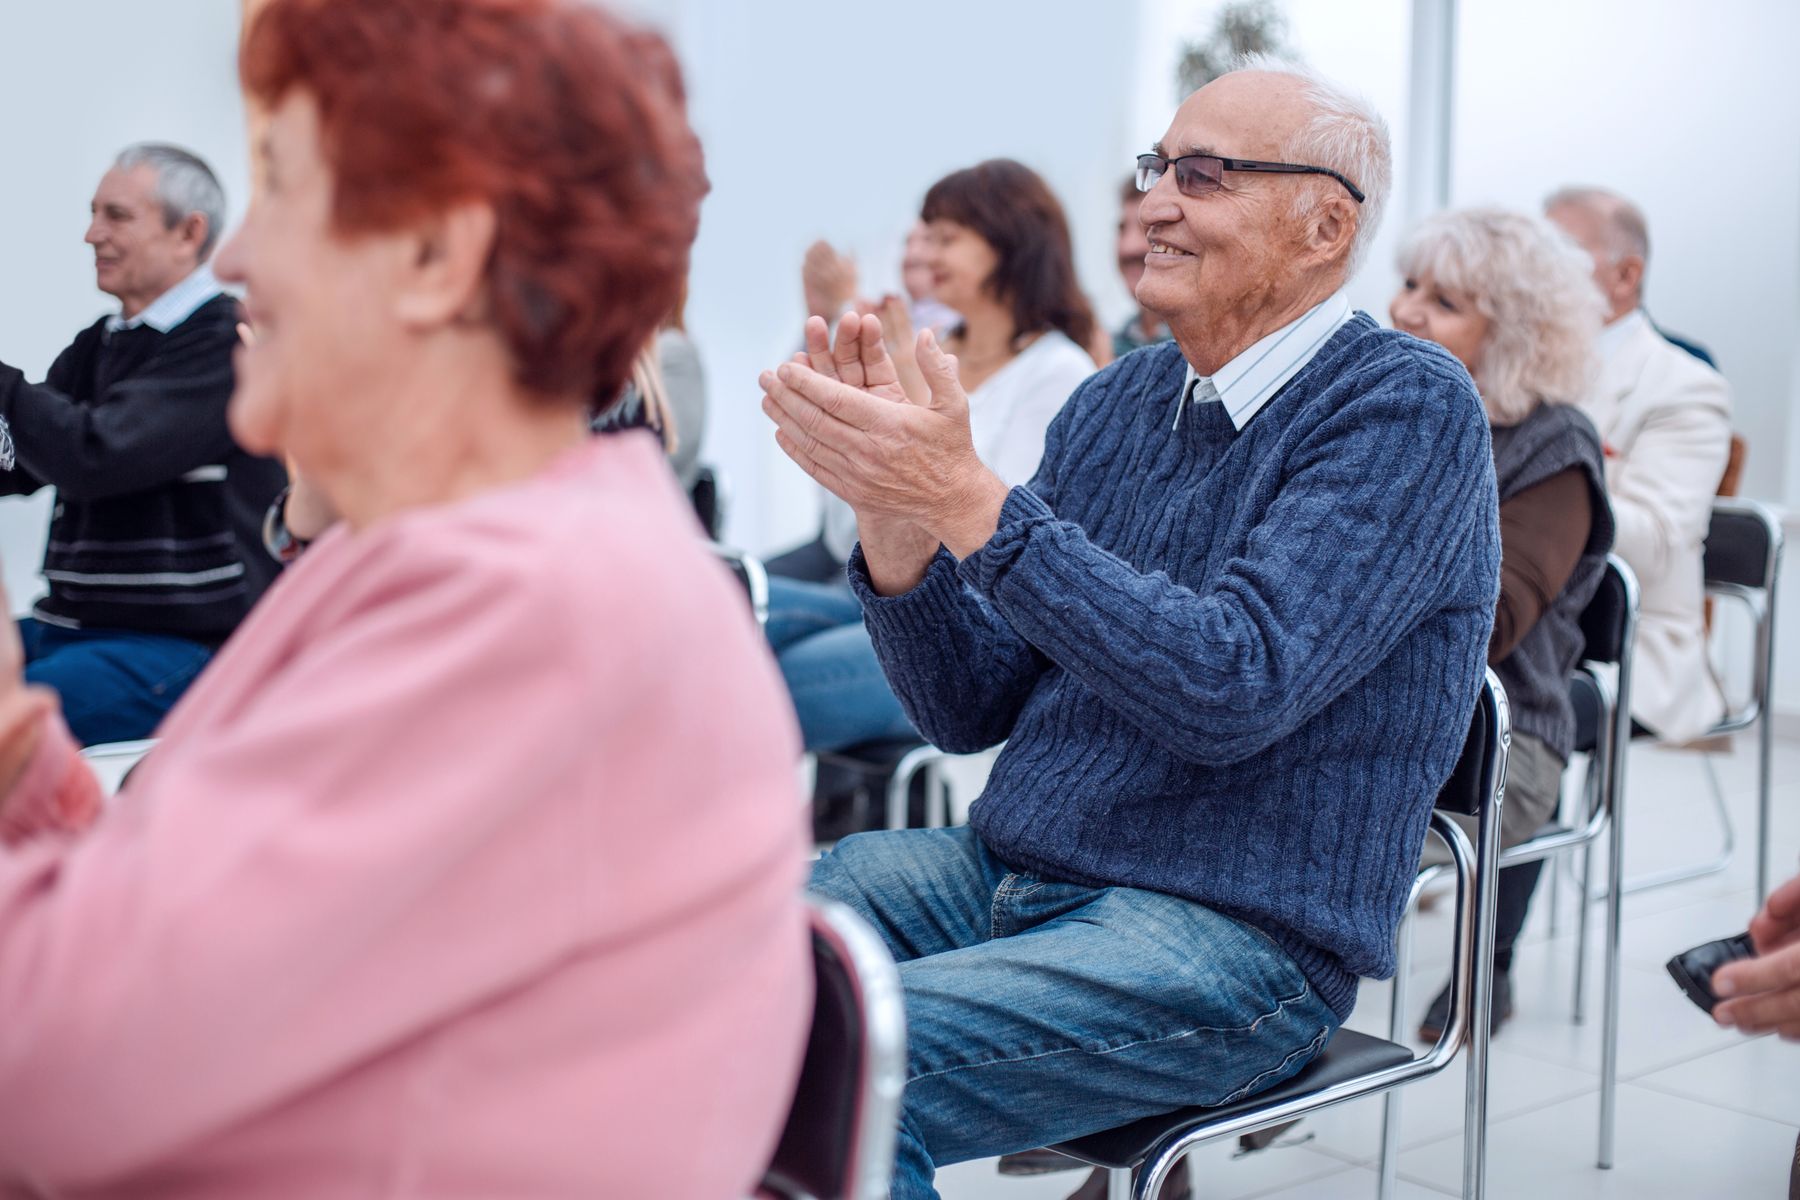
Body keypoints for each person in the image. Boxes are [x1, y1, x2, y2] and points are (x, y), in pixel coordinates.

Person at [0, 3, 810, 1197]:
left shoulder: (527, 607)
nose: (234, 259)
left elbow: (42, 1083)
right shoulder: (472, 558)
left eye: (278, 187)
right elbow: (174, 928)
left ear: (436, 256)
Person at [758, 57, 1499, 1200]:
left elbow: (1231, 684)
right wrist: (896, 522)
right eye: (1157, 167)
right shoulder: (1118, 402)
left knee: (839, 1056)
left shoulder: (1405, 407)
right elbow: (968, 708)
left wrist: (964, 498)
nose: (1151, 201)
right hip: (1006, 869)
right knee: (696, 976)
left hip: (1234, 934)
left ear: (1322, 226)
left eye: (1202, 175)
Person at [767, 159, 1097, 754]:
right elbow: (853, 527)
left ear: (1009, 242)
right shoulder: (926, 346)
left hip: (962, 626)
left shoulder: (1058, 371)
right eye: (923, 234)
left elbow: (1004, 542)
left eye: (947, 236)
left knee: (756, 684)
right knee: (722, 603)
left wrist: (914, 423)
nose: (924, 250)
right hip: (874, 589)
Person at [1389, 208, 1615, 1040]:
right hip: (1358, 721)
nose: (1406, 310)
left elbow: (1490, 625)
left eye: (1443, 302)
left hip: (1492, 748)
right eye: (1409, 284)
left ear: (1514, 334)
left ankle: (1208, 1073)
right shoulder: (1392, 412)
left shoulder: (1554, 447)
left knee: (1257, 849)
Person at [0, 144, 287, 746]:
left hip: (179, 647)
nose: (91, 234)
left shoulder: (221, 346)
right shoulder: (101, 343)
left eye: (117, 216)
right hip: (71, 628)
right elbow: (26, 460)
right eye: (93, 212)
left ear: (189, 233)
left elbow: (93, 455)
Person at [1545, 186, 1732, 744]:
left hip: (1624, 643)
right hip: (1526, 618)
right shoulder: (1505, 363)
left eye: (1558, 256)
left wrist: (1537, 493)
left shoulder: (1686, 385)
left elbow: (1655, 541)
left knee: (1477, 702)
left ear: (1625, 276)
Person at [1111, 173, 1173, 358]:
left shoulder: (1204, 358)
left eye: (1147, 229)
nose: (1128, 248)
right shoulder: (1107, 348)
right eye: (1122, 229)